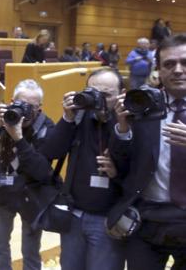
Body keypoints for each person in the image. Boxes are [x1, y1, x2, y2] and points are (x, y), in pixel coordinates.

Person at [109, 34, 186, 270]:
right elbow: (122, 164)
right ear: (158, 71)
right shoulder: (143, 104)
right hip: (147, 219)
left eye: (185, 63)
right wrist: (122, 127)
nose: (178, 70)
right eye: (169, 64)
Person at [39, 68, 125, 270]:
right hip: (75, 215)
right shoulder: (78, 118)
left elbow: (140, 174)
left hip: (108, 219)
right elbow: (51, 152)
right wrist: (67, 118)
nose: (99, 100)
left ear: (121, 95)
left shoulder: (126, 124)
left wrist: (116, 172)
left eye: (106, 95)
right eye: (93, 93)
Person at [0, 80, 55, 270]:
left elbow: (41, 171)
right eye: (21, 104)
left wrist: (19, 138)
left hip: (33, 193)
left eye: (31, 106)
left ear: (40, 108)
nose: (24, 111)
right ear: (11, 102)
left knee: (31, 249)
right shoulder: (6, 118)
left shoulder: (47, 128)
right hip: (5, 190)